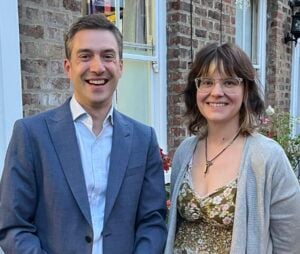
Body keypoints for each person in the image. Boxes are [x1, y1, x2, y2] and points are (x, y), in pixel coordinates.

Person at [0, 14, 167, 254]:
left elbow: (152, 223)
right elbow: (13, 226)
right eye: (85, 56)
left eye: (108, 56)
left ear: (120, 66)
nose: (97, 67)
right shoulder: (31, 134)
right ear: (68, 67)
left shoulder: (143, 139)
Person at [164, 42, 300, 254]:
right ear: (196, 90)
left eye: (229, 82)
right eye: (206, 82)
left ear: (246, 90)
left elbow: (290, 243)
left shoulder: (268, 158)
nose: (216, 92)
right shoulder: (185, 152)